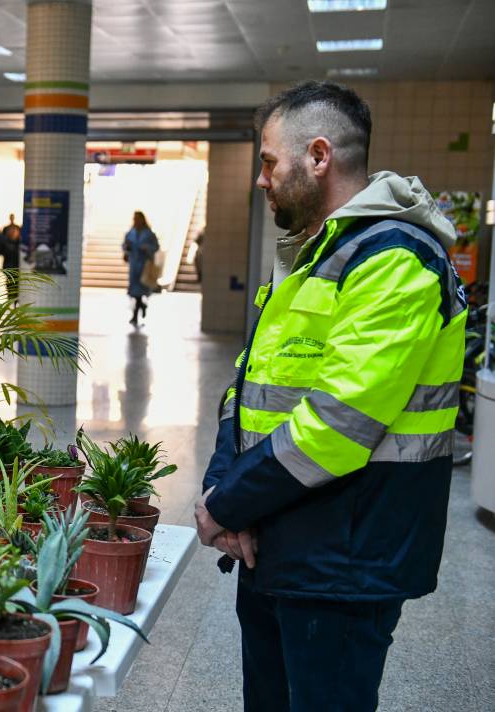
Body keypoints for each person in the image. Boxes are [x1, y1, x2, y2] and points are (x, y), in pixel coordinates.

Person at [194, 81, 465, 712]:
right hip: (279, 544)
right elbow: (249, 390)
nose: (261, 180)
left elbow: (338, 424)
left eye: (268, 161)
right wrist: (221, 491)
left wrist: (227, 503)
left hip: (344, 560)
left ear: (319, 156)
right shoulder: (315, 257)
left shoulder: (394, 261)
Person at [123, 211, 159, 324]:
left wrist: (146, 248)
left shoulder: (149, 234)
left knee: (139, 291)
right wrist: (126, 248)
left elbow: (156, 246)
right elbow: (124, 245)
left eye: (138, 219)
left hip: (144, 266)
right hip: (134, 265)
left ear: (142, 219)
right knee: (134, 292)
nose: (136, 221)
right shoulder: (130, 233)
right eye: (135, 219)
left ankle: (135, 315)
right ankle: (141, 306)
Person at [0, 213, 21, 303]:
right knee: (9, 281)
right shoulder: (6, 243)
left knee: (16, 281)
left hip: (16, 264)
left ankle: (15, 298)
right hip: (8, 264)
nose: (12, 233)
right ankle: (10, 297)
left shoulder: (18, 244)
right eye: (11, 232)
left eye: (14, 231)